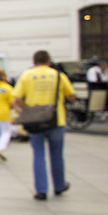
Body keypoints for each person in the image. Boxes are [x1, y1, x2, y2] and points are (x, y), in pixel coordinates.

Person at [13, 51, 76, 200]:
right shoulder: (58, 75)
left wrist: (24, 108)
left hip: (34, 120)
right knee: (57, 155)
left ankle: (41, 190)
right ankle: (59, 185)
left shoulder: (27, 75)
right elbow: (71, 95)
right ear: (49, 61)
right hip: (56, 119)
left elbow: (17, 98)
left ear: (34, 61)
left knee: (38, 155)